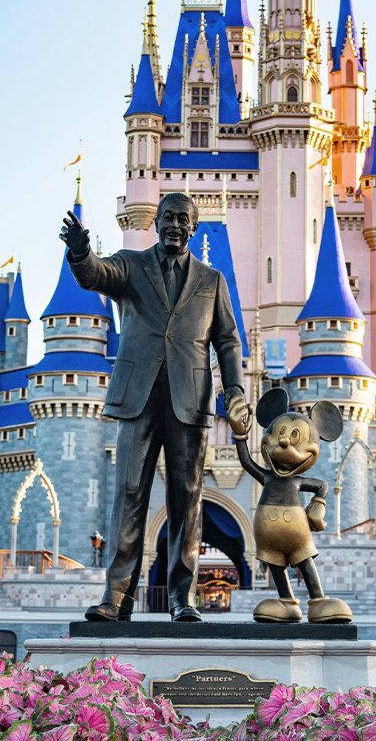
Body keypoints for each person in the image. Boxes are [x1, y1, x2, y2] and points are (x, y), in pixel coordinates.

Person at [60, 192, 248, 622]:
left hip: (190, 401)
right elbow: (95, 275)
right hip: (138, 397)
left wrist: (234, 389)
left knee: (187, 500)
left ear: (193, 227)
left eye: (183, 219)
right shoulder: (131, 264)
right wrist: (80, 252)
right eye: (168, 217)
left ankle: (184, 598)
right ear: (156, 221)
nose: (175, 225)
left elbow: (227, 340)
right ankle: (117, 596)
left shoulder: (211, 280)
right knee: (129, 493)